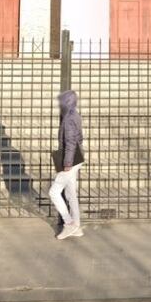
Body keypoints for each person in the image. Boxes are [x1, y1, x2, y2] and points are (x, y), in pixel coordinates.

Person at [50, 90, 84, 239]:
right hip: (77, 157)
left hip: (71, 160)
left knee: (54, 192)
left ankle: (69, 223)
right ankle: (76, 226)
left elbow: (70, 142)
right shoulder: (75, 114)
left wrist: (67, 163)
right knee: (71, 194)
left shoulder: (69, 118)